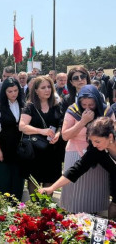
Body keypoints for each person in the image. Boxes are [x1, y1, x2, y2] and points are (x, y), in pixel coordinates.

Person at [39, 117, 116, 219]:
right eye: (91, 141)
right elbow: (76, 169)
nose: (94, 144)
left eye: (97, 141)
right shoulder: (96, 150)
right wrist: (51, 188)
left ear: (110, 136)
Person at [60, 84, 112, 213]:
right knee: (75, 193)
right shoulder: (73, 110)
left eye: (91, 105)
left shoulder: (106, 111)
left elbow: (112, 132)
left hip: (99, 154)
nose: (88, 108)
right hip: (76, 153)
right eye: (84, 105)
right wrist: (83, 122)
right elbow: (65, 135)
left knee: (94, 195)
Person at [19, 76, 63, 195]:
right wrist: (42, 131)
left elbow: (60, 123)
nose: (47, 90)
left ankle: (47, 208)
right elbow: (22, 126)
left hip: (52, 149)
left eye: (49, 87)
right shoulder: (30, 107)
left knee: (50, 180)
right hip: (35, 150)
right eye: (43, 87)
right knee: (34, 179)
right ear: (36, 91)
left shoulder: (56, 106)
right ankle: (35, 208)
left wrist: (58, 134)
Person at [0, 78, 25, 200]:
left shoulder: (23, 105)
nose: (13, 93)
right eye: (10, 91)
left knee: (18, 181)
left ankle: (17, 210)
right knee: (3, 181)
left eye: (15, 90)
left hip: (19, 149)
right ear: (4, 92)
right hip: (3, 148)